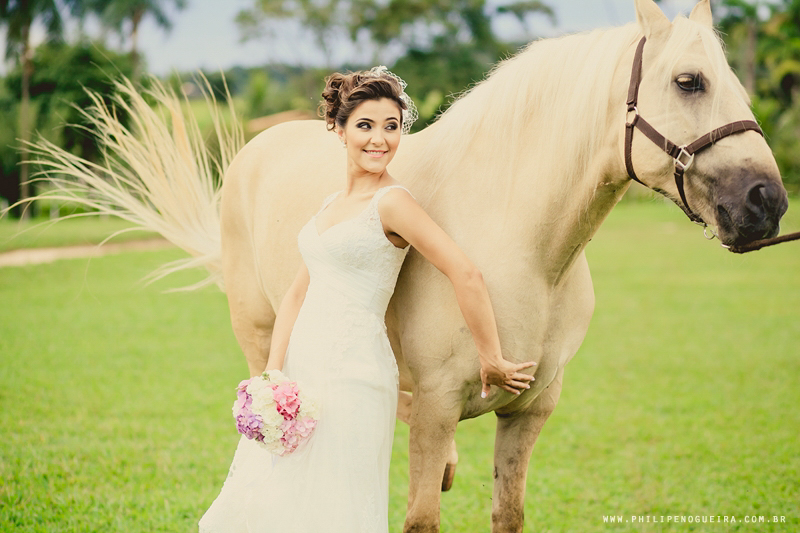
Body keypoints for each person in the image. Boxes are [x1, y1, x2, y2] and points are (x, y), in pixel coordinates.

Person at [199, 66, 535, 533]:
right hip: (303, 368)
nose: (380, 139)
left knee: (339, 501)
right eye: (365, 126)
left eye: (391, 127)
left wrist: (490, 355)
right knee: (279, 495)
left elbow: (466, 272)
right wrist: (272, 375)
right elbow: (297, 293)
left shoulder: (394, 203)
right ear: (338, 131)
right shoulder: (329, 205)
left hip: (356, 372)